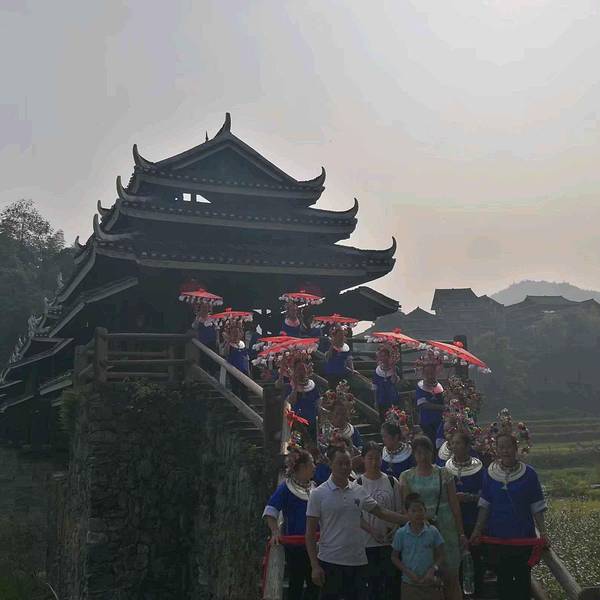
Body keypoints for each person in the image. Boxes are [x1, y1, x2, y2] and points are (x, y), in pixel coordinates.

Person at [305, 445, 409, 600]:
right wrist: (314, 565)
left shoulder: (358, 490)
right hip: (330, 560)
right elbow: (310, 533)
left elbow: (381, 512)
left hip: (358, 561)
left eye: (347, 463)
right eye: (340, 463)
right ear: (330, 464)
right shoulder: (318, 494)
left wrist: (411, 519)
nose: (344, 467)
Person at [470, 432, 549, 600]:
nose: (505, 451)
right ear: (497, 450)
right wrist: (477, 529)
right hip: (497, 537)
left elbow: (537, 506)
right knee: (503, 582)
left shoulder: (529, 474)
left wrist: (543, 532)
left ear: (515, 448)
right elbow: (485, 504)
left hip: (523, 536)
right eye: (501, 447)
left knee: (522, 580)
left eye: (508, 447)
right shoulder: (490, 474)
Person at [399, 435, 466, 600]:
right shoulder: (407, 477)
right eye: (418, 453)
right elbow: (406, 507)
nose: (423, 457)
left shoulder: (444, 473)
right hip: (420, 529)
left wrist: (461, 533)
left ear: (432, 452)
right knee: (426, 577)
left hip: (446, 526)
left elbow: (454, 505)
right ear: (414, 454)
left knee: (451, 577)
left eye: (426, 452)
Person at [263, 448, 318, 600]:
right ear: (302, 467)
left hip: (317, 545)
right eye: (312, 463)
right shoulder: (286, 489)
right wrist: (275, 531)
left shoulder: (315, 487)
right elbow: (271, 511)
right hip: (296, 547)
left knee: (316, 584)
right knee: (296, 583)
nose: (314, 467)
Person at [356, 442, 402, 600]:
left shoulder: (392, 481)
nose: (374, 462)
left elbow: (399, 510)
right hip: (367, 544)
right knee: (371, 589)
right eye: (370, 458)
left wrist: (394, 528)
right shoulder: (357, 484)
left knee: (391, 587)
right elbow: (356, 517)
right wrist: (372, 530)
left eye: (377, 458)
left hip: (390, 543)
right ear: (363, 459)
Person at [445, 431, 485, 597]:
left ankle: (477, 594)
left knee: (475, 558)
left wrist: (468, 497)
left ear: (468, 446)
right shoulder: (446, 467)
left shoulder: (479, 468)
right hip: (452, 520)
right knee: (456, 561)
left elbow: (485, 495)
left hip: (473, 519)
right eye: (453, 443)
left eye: (458, 443)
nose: (454, 446)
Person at [391, 493, 445, 600]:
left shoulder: (432, 531)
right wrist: (408, 572)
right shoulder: (401, 533)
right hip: (409, 583)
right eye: (413, 511)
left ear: (425, 510)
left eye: (420, 510)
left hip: (430, 582)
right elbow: (394, 557)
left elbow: (441, 555)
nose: (418, 514)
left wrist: (433, 569)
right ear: (407, 513)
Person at [284, 354, 321, 444]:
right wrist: (295, 386)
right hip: (297, 423)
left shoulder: (313, 386)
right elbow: (291, 402)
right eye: (299, 369)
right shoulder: (290, 386)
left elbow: (318, 403)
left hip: (312, 421)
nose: (302, 371)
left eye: (303, 369)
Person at [414, 350, 445, 447]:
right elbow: (423, 405)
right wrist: (442, 407)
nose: (430, 375)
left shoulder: (439, 386)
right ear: (423, 373)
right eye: (427, 373)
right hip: (427, 422)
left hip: (440, 422)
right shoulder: (420, 387)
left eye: (432, 373)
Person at [221, 320, 250, 402]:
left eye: (237, 333)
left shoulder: (242, 344)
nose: (236, 335)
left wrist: (248, 370)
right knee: (235, 388)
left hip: (243, 369)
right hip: (233, 369)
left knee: (244, 388)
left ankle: (246, 403)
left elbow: (246, 358)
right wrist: (228, 341)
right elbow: (224, 353)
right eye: (234, 333)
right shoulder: (228, 344)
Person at [380, 412, 415, 478]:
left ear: (396, 437)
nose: (383, 439)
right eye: (382, 436)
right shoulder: (382, 453)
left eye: (385, 436)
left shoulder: (409, 453)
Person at [371, 345, 400, 423]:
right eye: (382, 356)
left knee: (395, 420)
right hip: (381, 398)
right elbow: (374, 387)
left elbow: (394, 381)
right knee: (383, 420)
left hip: (392, 397)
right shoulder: (377, 371)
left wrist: (393, 368)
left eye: (385, 356)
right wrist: (375, 401)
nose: (384, 358)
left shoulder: (395, 369)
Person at [191, 301, 219, 375]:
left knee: (212, 358)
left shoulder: (212, 318)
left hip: (212, 341)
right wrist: (198, 317)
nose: (205, 309)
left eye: (206, 307)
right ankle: (204, 375)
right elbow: (194, 327)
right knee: (203, 358)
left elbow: (217, 329)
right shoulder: (198, 318)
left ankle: (213, 373)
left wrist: (217, 339)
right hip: (203, 341)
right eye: (203, 307)